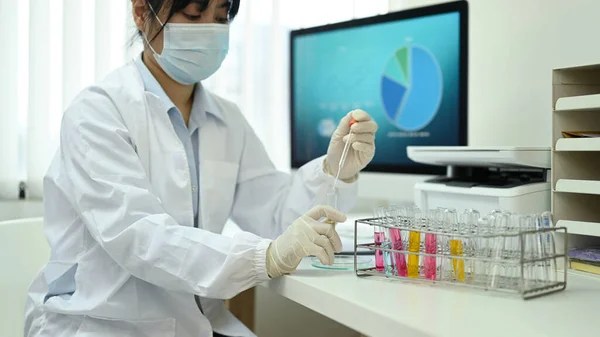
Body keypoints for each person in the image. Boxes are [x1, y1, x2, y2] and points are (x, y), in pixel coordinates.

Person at [23, 0, 377, 336]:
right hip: (103, 323)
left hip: (197, 322)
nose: (209, 30)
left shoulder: (228, 120)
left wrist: (335, 171)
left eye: (221, 17)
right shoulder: (98, 112)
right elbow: (138, 235)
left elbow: (276, 218)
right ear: (142, 11)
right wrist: (262, 257)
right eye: (193, 15)